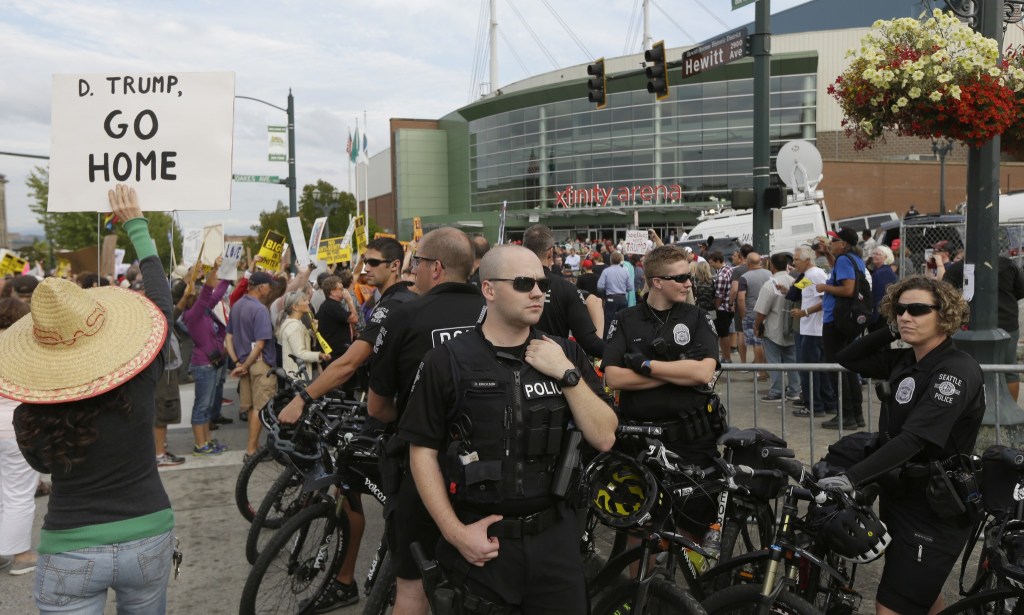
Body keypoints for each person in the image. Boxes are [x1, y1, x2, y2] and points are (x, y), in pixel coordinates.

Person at [401, 245, 617, 615]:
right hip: (481, 544)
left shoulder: (564, 352)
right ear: (489, 289)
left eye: (542, 283)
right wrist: (455, 533)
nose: (538, 292)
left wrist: (567, 374)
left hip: (555, 542)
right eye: (523, 283)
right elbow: (422, 452)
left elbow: (604, 436)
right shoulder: (447, 360)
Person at [2, 184, 176, 612]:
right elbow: (161, 304)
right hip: (149, 531)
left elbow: (42, 465)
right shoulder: (141, 376)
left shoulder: (30, 411)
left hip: (71, 544)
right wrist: (136, 224)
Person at [822, 275, 982, 615]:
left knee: (891, 605)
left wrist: (852, 477)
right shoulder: (905, 360)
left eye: (918, 310)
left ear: (946, 315)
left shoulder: (955, 371)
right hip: (902, 497)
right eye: (900, 309)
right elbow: (846, 356)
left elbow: (915, 439)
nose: (906, 316)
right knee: (921, 598)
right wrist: (893, 330)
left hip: (936, 507)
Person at [277, 238, 415, 612]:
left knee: (400, 510)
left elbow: (349, 363)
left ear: (396, 267)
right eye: (363, 261)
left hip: (403, 420)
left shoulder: (397, 304)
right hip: (385, 409)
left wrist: (303, 399)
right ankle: (345, 580)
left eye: (373, 263)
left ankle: (386, 581)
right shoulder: (383, 300)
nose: (364, 268)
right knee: (350, 483)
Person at [368, 228, 486, 615]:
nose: (412, 270)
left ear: (436, 268)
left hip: (423, 468)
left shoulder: (405, 314)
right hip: (493, 469)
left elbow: (377, 407)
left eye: (416, 262)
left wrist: (418, 421)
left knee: (412, 587)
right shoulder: (495, 310)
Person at [603, 245, 721, 537]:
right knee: (638, 527)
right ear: (657, 281)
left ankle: (692, 583)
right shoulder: (626, 318)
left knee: (694, 522)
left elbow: (704, 373)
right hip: (639, 441)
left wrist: (645, 365)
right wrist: (678, 372)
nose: (688, 283)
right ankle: (640, 583)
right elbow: (614, 377)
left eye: (688, 277)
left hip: (692, 440)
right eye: (680, 278)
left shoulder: (696, 316)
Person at [942, 252, 1024, 401]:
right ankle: (1010, 405)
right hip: (1006, 321)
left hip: (971, 325)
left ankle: (973, 406)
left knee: (968, 368)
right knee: (1009, 369)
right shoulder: (1009, 265)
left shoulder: (958, 268)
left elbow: (945, 295)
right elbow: (1020, 291)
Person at [522, 224, 605, 357]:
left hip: (512, 368)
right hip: (554, 367)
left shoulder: (509, 285)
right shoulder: (566, 289)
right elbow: (590, 343)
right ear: (550, 252)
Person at [0, 298, 37, 576]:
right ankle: (21, 554)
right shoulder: (21, 348)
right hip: (14, 427)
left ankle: (4, 548)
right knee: (19, 493)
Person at [816, 228, 867, 429]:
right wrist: (828, 254)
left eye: (834, 240)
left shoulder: (845, 260)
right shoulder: (853, 260)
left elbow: (848, 289)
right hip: (845, 321)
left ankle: (846, 416)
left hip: (836, 322)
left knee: (836, 369)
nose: (831, 242)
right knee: (847, 367)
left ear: (844, 244)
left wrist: (824, 288)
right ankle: (856, 414)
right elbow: (841, 275)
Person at [226, 270, 278, 461]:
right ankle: (251, 451)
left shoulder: (237, 305)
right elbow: (261, 344)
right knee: (260, 407)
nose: (270, 290)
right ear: (262, 287)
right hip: (259, 364)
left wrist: (237, 363)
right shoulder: (260, 309)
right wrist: (245, 365)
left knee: (251, 408)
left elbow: (228, 338)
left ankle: (252, 448)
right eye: (268, 286)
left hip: (244, 364)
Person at [789, 245, 836, 418]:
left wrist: (805, 312)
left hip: (814, 330)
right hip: (810, 329)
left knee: (810, 369)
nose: (794, 263)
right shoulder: (808, 275)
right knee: (817, 369)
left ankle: (814, 405)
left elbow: (826, 300)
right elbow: (800, 293)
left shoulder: (815, 274)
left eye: (796, 260)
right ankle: (826, 402)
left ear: (807, 260)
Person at [753, 253, 801, 402]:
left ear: (772, 266)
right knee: (792, 361)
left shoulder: (770, 285)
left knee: (774, 362)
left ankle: (776, 392)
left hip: (774, 328)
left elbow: (762, 311)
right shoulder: (795, 281)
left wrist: (757, 326)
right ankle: (794, 390)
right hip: (792, 327)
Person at [276, 291, 330, 377]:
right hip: (299, 376)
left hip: (298, 374)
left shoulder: (296, 324)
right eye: (304, 300)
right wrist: (319, 355)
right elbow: (300, 353)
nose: (308, 302)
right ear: (295, 307)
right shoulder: (294, 327)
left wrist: (314, 331)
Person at [737, 252, 771, 379]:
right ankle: (768, 368)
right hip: (768, 312)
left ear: (748, 263)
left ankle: (761, 371)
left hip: (752, 313)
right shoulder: (770, 274)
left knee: (757, 343)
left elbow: (741, 299)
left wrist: (743, 314)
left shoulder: (745, 277)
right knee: (766, 342)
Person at [314, 275, 357, 364]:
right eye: (341, 289)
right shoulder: (331, 306)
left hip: (334, 353)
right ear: (333, 292)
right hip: (335, 355)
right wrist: (350, 301)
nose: (344, 291)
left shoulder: (331, 305)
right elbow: (354, 318)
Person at [597, 251, 633, 337]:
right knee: (623, 320)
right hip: (622, 298)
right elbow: (630, 287)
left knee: (609, 321)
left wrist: (607, 288)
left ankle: (608, 340)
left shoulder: (606, 271)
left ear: (610, 260)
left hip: (611, 298)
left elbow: (599, 287)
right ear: (621, 260)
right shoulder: (625, 271)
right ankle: (623, 338)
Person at [869, 245, 898, 329]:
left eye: (878, 254)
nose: (874, 256)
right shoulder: (881, 271)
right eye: (874, 253)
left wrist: (874, 317)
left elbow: (880, 297)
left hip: (880, 316)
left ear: (886, 257)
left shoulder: (883, 273)